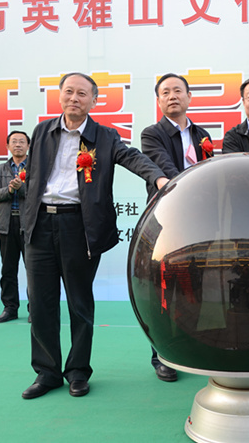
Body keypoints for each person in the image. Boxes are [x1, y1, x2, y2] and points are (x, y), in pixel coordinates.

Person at [20, 72, 168, 399]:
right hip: (40, 226)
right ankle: (46, 373)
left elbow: (133, 157)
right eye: (69, 92)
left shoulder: (104, 136)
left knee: (80, 303)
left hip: (79, 227)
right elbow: (33, 176)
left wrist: (158, 178)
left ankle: (77, 372)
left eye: (82, 94)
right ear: (60, 95)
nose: (74, 98)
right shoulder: (42, 131)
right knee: (40, 305)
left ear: (94, 100)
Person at [140, 73, 214, 381]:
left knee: (194, 288)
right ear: (159, 100)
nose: (172, 96)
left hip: (199, 222)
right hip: (168, 220)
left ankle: (190, 347)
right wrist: (190, 193)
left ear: (189, 97)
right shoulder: (152, 134)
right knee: (164, 289)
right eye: (166, 92)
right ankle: (163, 355)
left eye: (178, 91)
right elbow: (165, 168)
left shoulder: (202, 134)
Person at [0, 130, 30, 323]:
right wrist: (9, 189)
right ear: (8, 146)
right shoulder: (0, 170)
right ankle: (10, 308)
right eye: (14, 142)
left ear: (28, 146)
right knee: (8, 269)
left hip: (30, 225)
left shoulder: (36, 167)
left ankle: (35, 309)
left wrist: (22, 188)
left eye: (22, 141)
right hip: (6, 224)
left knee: (34, 270)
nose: (18, 144)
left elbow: (41, 193)